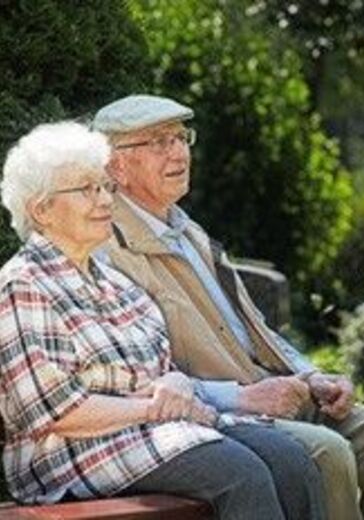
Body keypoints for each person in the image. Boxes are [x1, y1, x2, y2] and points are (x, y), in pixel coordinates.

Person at [93, 94, 364, 520]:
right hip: (223, 416)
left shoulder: (188, 229)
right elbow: (141, 379)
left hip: (279, 394)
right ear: (115, 165)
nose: (179, 151)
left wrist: (312, 375)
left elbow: (255, 329)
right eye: (158, 142)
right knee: (327, 454)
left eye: (182, 137)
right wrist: (247, 397)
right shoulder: (107, 250)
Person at [0, 121, 327, 520]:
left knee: (291, 461)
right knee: (243, 475)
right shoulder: (24, 285)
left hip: (154, 429)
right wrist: (154, 407)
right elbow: (56, 412)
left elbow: (162, 370)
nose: (104, 200)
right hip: (70, 452)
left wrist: (173, 384)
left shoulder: (116, 283)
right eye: (87, 189)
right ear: (41, 210)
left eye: (105, 186)